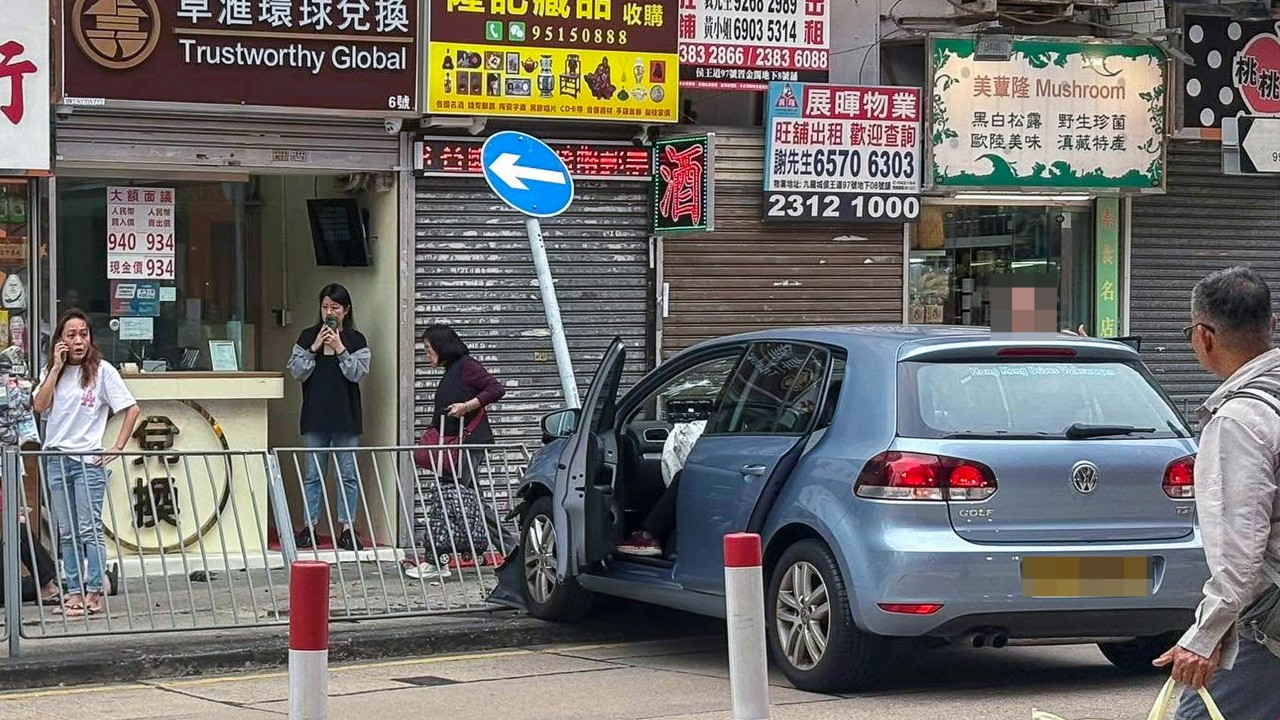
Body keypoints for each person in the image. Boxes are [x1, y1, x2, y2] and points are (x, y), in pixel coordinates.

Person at [1146, 267, 1280, 719]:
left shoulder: (1240, 421)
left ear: (1203, 336)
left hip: (1269, 625)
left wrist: (1204, 638)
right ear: (1272, 325)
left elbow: (1239, 555)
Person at [32, 310, 140, 617]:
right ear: (60, 340)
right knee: (65, 532)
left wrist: (117, 446)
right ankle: (74, 592)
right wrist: (54, 369)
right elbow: (39, 406)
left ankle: (94, 592)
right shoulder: (52, 371)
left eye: (83, 334)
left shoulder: (103, 371)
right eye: (71, 335)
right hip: (56, 458)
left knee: (88, 529)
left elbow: (131, 409)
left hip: (88, 462)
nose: (78, 341)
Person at [409, 323, 509, 574]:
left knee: (464, 500)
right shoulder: (451, 370)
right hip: (453, 448)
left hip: (466, 446)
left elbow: (497, 388)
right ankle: (438, 559)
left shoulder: (467, 366)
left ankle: (511, 547)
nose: (426, 354)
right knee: (459, 500)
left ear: (443, 347)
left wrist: (467, 406)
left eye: (428, 348)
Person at [287, 284, 371, 552]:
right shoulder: (306, 336)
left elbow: (357, 373)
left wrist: (340, 348)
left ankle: (347, 528)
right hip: (315, 414)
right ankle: (310, 527)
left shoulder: (357, 340)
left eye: (335, 307)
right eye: (325, 307)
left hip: (346, 415)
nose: (329, 312)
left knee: (347, 474)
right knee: (313, 474)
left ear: (345, 311)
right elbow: (296, 371)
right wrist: (314, 347)